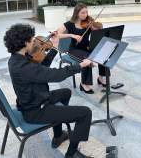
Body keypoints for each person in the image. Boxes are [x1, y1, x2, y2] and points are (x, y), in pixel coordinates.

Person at [5, 24, 93, 158]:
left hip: (35, 100)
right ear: (25, 43)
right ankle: (72, 154)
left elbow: (42, 68)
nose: (35, 42)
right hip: (36, 111)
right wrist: (80, 65)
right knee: (85, 113)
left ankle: (57, 136)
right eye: (32, 40)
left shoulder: (17, 59)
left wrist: (55, 46)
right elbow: (56, 75)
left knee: (65, 93)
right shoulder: (23, 66)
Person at [57, 4, 96, 94]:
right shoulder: (70, 24)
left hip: (86, 47)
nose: (85, 15)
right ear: (77, 13)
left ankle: (101, 78)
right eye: (82, 13)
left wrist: (94, 27)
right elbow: (58, 34)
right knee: (87, 59)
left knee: (102, 53)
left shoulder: (88, 22)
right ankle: (84, 84)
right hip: (74, 50)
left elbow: (97, 32)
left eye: (86, 12)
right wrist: (72, 35)